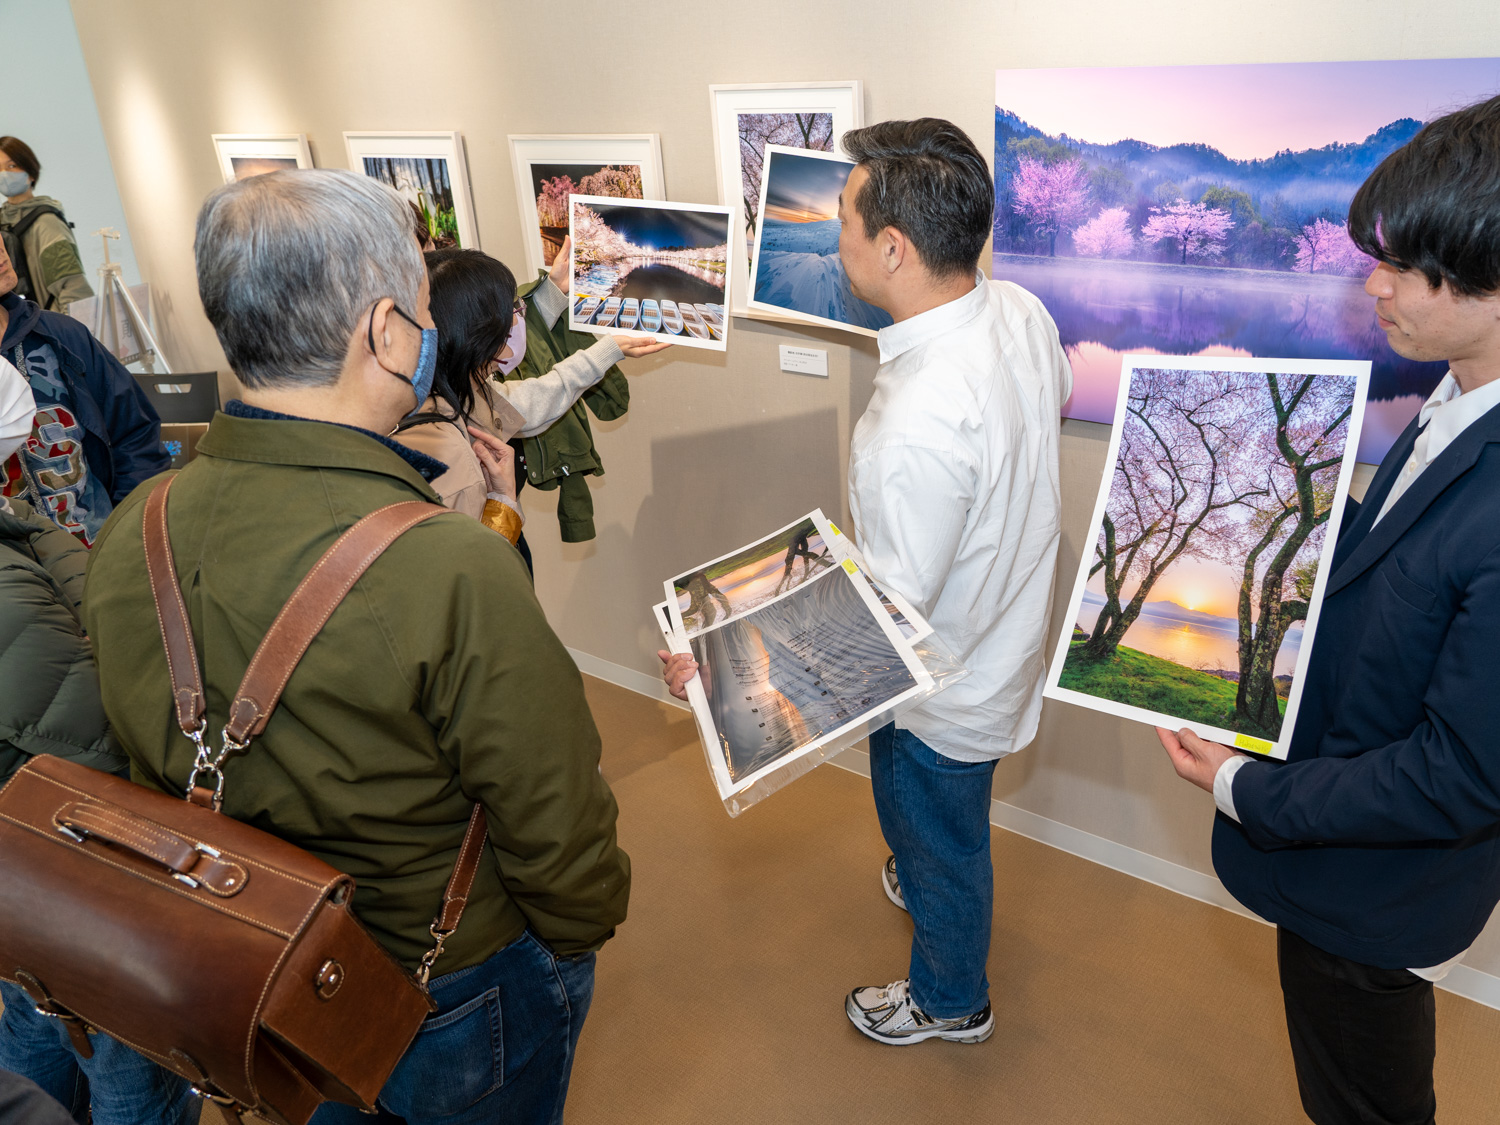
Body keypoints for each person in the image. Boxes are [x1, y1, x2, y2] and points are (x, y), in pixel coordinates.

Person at [83, 168, 630, 1125]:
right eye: (419, 310)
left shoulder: (137, 527)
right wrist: (579, 934)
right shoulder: (450, 565)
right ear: (385, 332)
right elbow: (558, 825)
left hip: (264, 962)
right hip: (450, 982)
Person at [661, 119, 1072, 1045]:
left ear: (892, 247)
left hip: (946, 687)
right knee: (937, 825)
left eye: (841, 213)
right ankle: (924, 873)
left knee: (942, 835)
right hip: (999, 639)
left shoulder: (913, 427)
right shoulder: (1020, 313)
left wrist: (723, 659)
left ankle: (951, 998)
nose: (830, 231)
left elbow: (879, 620)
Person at [1158, 94, 1500, 1125]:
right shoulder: (1454, 397)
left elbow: (1460, 775)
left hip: (1377, 880)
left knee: (1366, 1100)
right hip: (1341, 830)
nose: (1377, 286)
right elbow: (1406, 564)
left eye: (1405, 265)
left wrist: (1246, 791)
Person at [0, 353, 194, 1125]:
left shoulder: (22, 538)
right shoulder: (11, 581)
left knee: (36, 1011)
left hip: (28, 872)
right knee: (128, 1059)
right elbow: (91, 741)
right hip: (71, 864)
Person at [398, 242, 666, 562]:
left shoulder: (445, 392)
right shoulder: (448, 452)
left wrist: (608, 349)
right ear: (475, 336)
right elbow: (479, 576)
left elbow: (531, 400)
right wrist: (504, 501)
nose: (511, 343)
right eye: (508, 314)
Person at [0, 237, 169, 545]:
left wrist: (129, 532)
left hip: (101, 554)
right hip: (15, 578)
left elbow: (135, 435)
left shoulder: (62, 336)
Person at [0, 136, 94, 314]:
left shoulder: (46, 222)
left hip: (46, 329)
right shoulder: (2, 220)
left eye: (11, 166)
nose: (4, 174)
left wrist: (65, 336)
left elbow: (73, 289)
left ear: (31, 173)